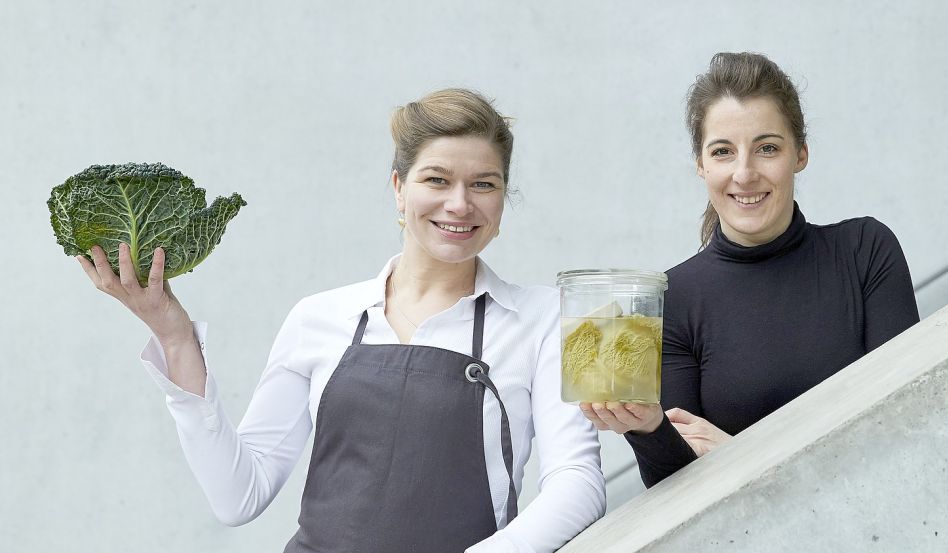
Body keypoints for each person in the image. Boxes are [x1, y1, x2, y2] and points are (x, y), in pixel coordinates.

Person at [78, 88, 605, 552]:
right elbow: (238, 496)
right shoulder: (318, 317)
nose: (460, 204)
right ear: (399, 187)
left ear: (503, 198)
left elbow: (578, 482)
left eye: (484, 185)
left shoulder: (549, 320)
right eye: (437, 179)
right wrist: (173, 336)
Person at [579, 52, 920, 487]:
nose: (744, 173)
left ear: (800, 154)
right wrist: (646, 428)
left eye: (767, 148)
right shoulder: (671, 299)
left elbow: (906, 416)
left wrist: (742, 457)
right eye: (723, 152)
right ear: (701, 165)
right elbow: (677, 490)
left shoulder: (864, 251)